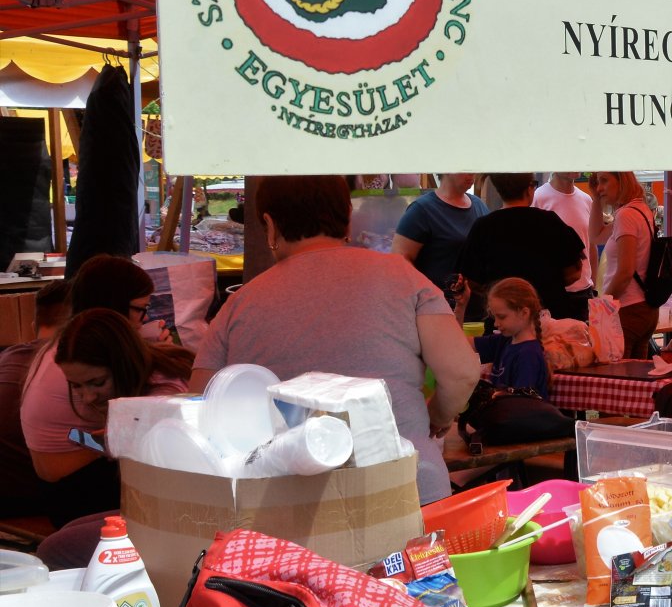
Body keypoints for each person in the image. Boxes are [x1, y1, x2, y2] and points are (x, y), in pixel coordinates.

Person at [191, 176, 480, 503]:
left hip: (286, 508)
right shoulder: (404, 276)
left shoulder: (238, 305)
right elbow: (462, 374)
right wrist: (437, 418)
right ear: (348, 217)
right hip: (407, 493)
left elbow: (198, 405)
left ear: (269, 226)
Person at [22, 310, 194, 527]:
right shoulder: (142, 381)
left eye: (97, 382)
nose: (88, 397)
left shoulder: (161, 397)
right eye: (76, 386)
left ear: (123, 364)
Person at [451, 173, 588, 322]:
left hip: (502, 320)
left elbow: (469, 280)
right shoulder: (550, 222)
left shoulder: (484, 227)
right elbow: (574, 273)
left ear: (499, 191)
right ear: (529, 189)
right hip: (550, 318)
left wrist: (498, 289)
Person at [590, 171, 662, 358]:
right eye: (597, 182)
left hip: (628, 309)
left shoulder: (626, 215)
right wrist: (596, 199)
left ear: (621, 180)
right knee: (636, 374)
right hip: (644, 308)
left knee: (618, 372)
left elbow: (625, 272)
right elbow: (596, 236)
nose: (599, 188)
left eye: (604, 181)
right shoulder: (639, 209)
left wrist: (603, 306)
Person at [393, 174, 486, 305]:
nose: (472, 174)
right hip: (437, 307)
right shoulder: (422, 210)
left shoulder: (480, 205)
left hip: (478, 307)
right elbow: (399, 260)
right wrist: (425, 294)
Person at [472, 277, 551, 397]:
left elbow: (521, 400)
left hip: (517, 409)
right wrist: (460, 307)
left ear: (524, 313)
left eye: (502, 317)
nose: (495, 323)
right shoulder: (503, 341)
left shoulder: (528, 355)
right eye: (494, 317)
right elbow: (461, 344)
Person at [533, 172, 597, 308]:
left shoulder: (586, 199)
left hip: (585, 291)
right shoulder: (538, 197)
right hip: (552, 294)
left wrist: (593, 284)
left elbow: (591, 243)